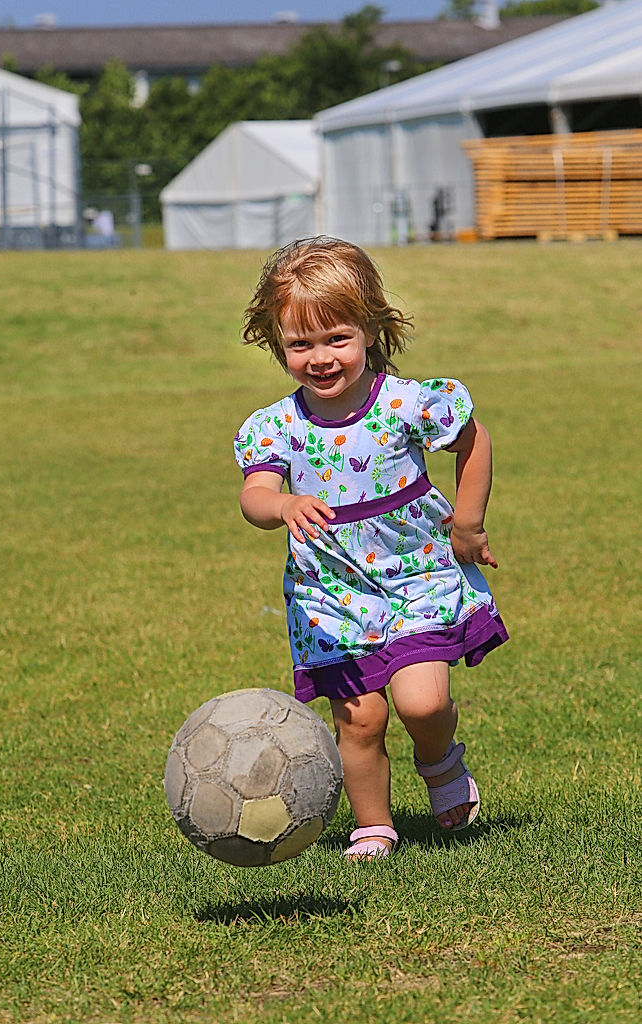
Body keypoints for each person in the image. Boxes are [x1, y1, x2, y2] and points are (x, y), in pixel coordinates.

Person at [233, 237, 508, 859]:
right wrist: (281, 505)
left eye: (336, 338)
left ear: (369, 328)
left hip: (415, 575)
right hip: (332, 590)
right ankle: (374, 827)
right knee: (359, 718)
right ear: (278, 344)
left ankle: (439, 763)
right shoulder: (276, 425)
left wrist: (467, 525)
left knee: (423, 699)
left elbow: (475, 440)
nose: (321, 357)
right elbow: (255, 496)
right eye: (300, 344)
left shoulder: (407, 403)